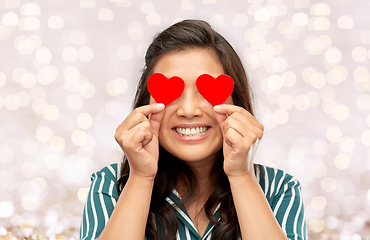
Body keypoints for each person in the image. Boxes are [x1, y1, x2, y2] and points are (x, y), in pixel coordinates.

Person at [80, 19, 306, 240]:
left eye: (207, 91)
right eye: (172, 91)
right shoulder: (110, 184)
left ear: (236, 101)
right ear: (146, 102)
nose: (188, 110)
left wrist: (241, 175)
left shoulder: (279, 189)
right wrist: (141, 177)